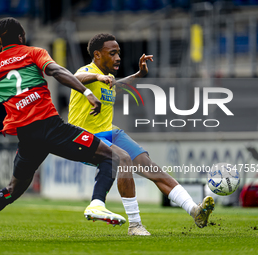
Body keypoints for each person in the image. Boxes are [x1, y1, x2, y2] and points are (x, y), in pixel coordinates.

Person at [0, 18, 126, 241]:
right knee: (111, 157)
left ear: (0, 40)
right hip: (51, 127)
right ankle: (96, 204)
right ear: (21, 35)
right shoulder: (33, 53)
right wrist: (87, 93)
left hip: (27, 136)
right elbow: (58, 71)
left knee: (12, 190)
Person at [68, 33, 215, 235]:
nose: (118, 57)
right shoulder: (88, 72)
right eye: (112, 53)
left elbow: (116, 87)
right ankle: (135, 225)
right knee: (124, 159)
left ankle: (194, 210)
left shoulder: (108, 78)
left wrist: (138, 75)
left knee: (150, 166)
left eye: (119, 53)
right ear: (97, 55)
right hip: (84, 137)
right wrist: (97, 76)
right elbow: (74, 78)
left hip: (109, 132)